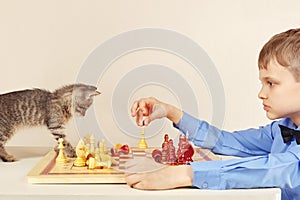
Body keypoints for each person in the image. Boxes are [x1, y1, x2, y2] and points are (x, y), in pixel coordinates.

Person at [125, 28, 300, 200]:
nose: (261, 94)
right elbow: (225, 141)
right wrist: (171, 112)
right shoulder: (280, 129)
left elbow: (277, 168)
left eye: (271, 83)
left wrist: (187, 173)